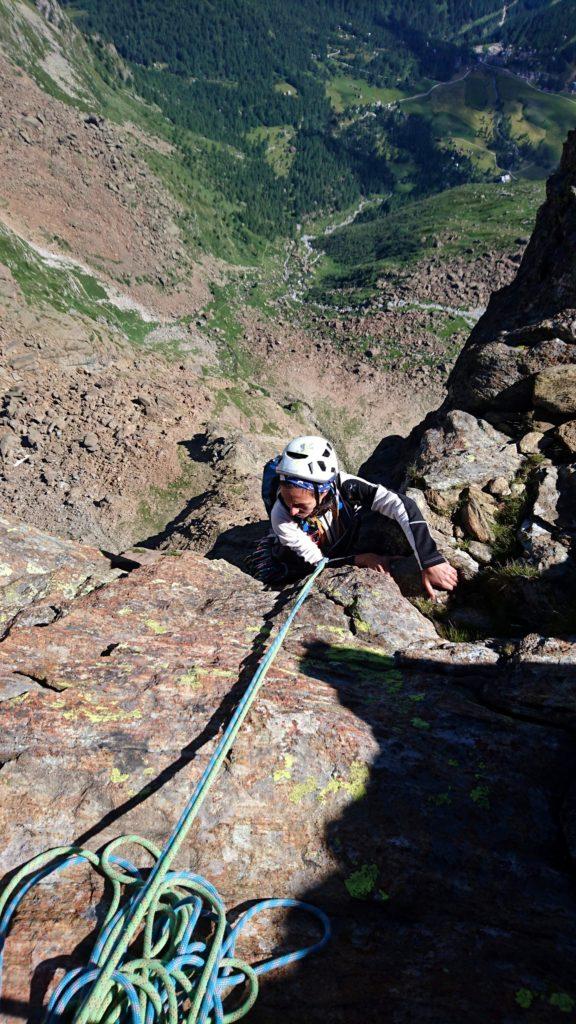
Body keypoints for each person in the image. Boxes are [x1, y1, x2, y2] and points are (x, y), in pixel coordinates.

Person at [251, 435, 458, 596]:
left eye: (299, 504)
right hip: (306, 556)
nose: (292, 510)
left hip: (342, 538)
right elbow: (318, 563)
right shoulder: (281, 516)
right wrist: (362, 559)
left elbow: (401, 504)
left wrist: (430, 559)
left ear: (323, 491)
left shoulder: (344, 485)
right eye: (287, 500)